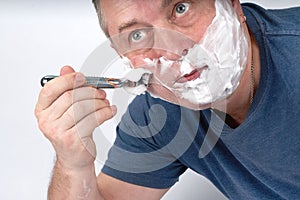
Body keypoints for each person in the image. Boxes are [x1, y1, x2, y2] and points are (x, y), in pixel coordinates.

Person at [34, 0, 300, 199]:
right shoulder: (159, 113)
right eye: (137, 36)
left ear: (232, 6)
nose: (172, 50)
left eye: (181, 8)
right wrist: (73, 164)